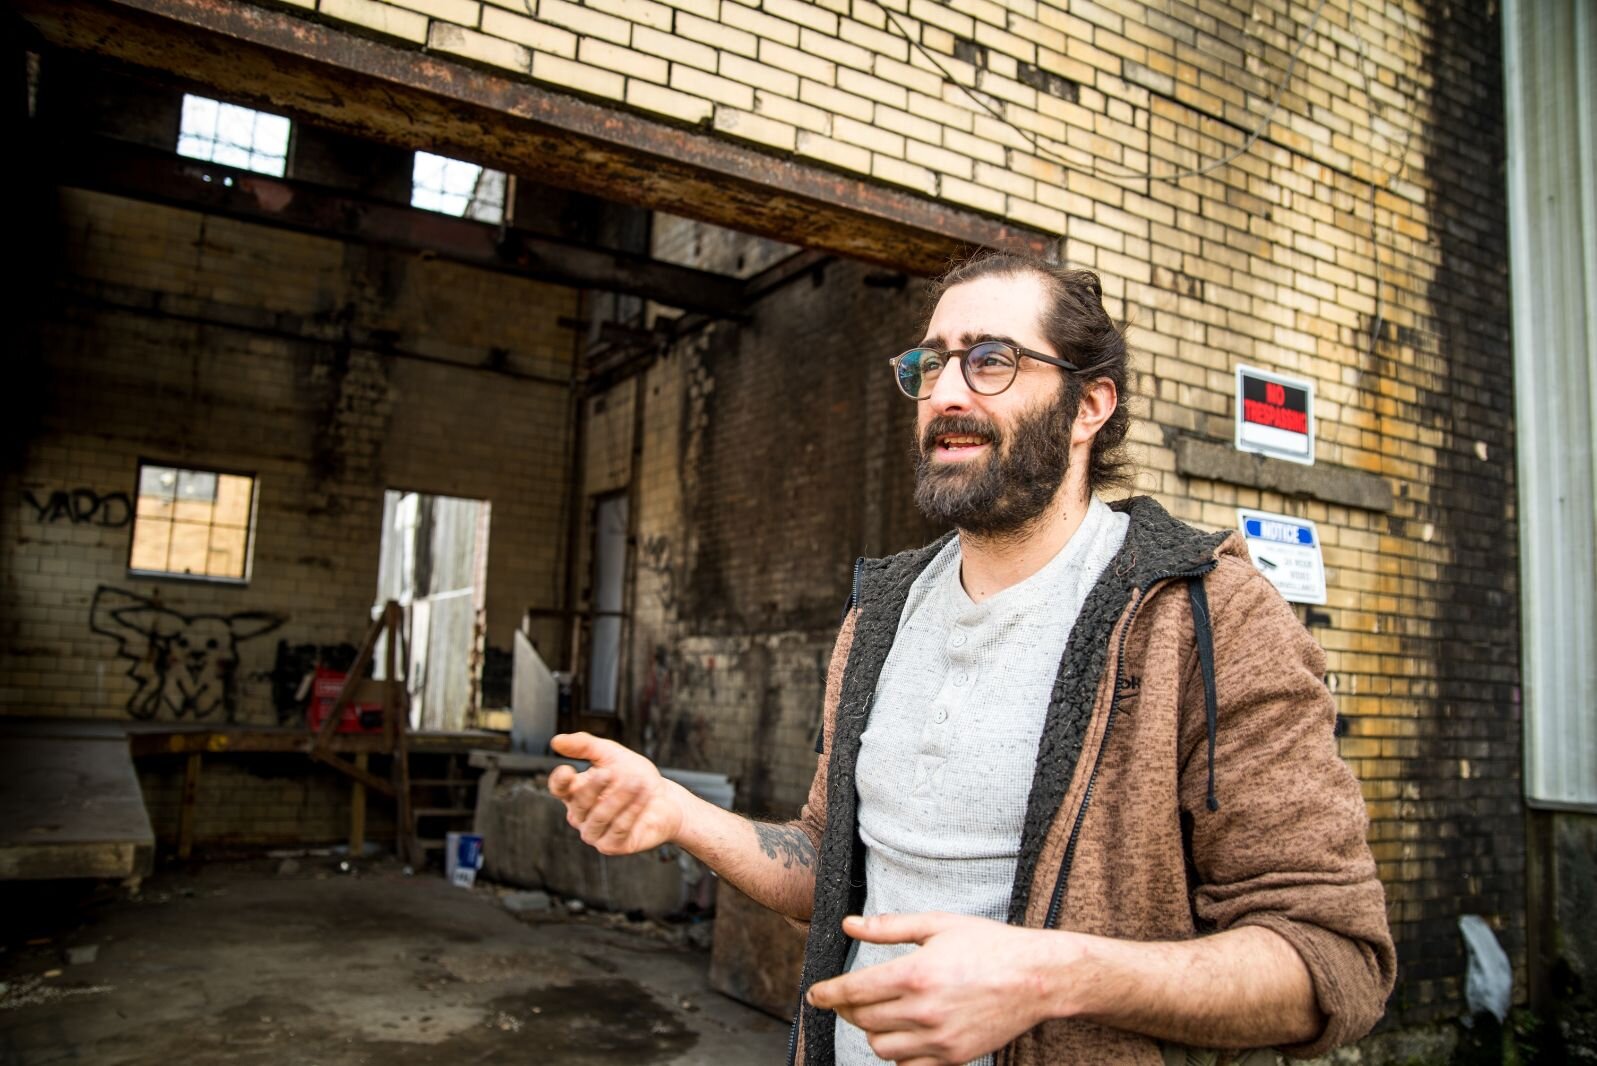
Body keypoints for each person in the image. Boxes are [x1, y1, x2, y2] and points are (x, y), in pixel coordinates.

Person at [547, 251, 1395, 1066]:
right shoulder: (880, 614)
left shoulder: (1204, 617)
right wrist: (676, 811)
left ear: (1090, 405)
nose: (945, 392)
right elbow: (831, 864)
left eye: (991, 361)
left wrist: (1046, 977)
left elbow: (1331, 960)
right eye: (931, 363)